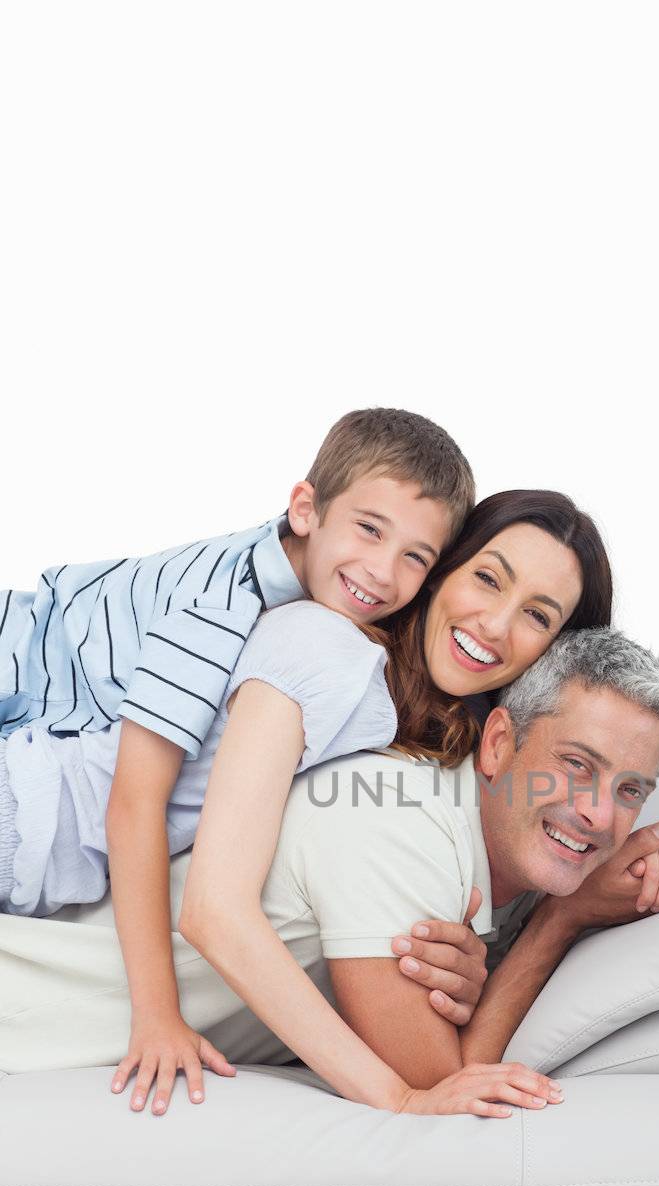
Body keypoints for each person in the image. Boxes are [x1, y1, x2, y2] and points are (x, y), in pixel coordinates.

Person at [0, 628, 659, 1119]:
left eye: (629, 790)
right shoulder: (397, 818)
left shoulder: (508, 852)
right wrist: (563, 923)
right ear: (500, 743)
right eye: (576, 766)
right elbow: (439, 1088)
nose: (600, 815)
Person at [0, 406, 473, 1089]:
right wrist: (157, 1014)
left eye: (413, 558)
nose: (380, 571)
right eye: (369, 529)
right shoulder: (224, 603)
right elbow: (137, 801)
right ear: (304, 509)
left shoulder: (302, 617)